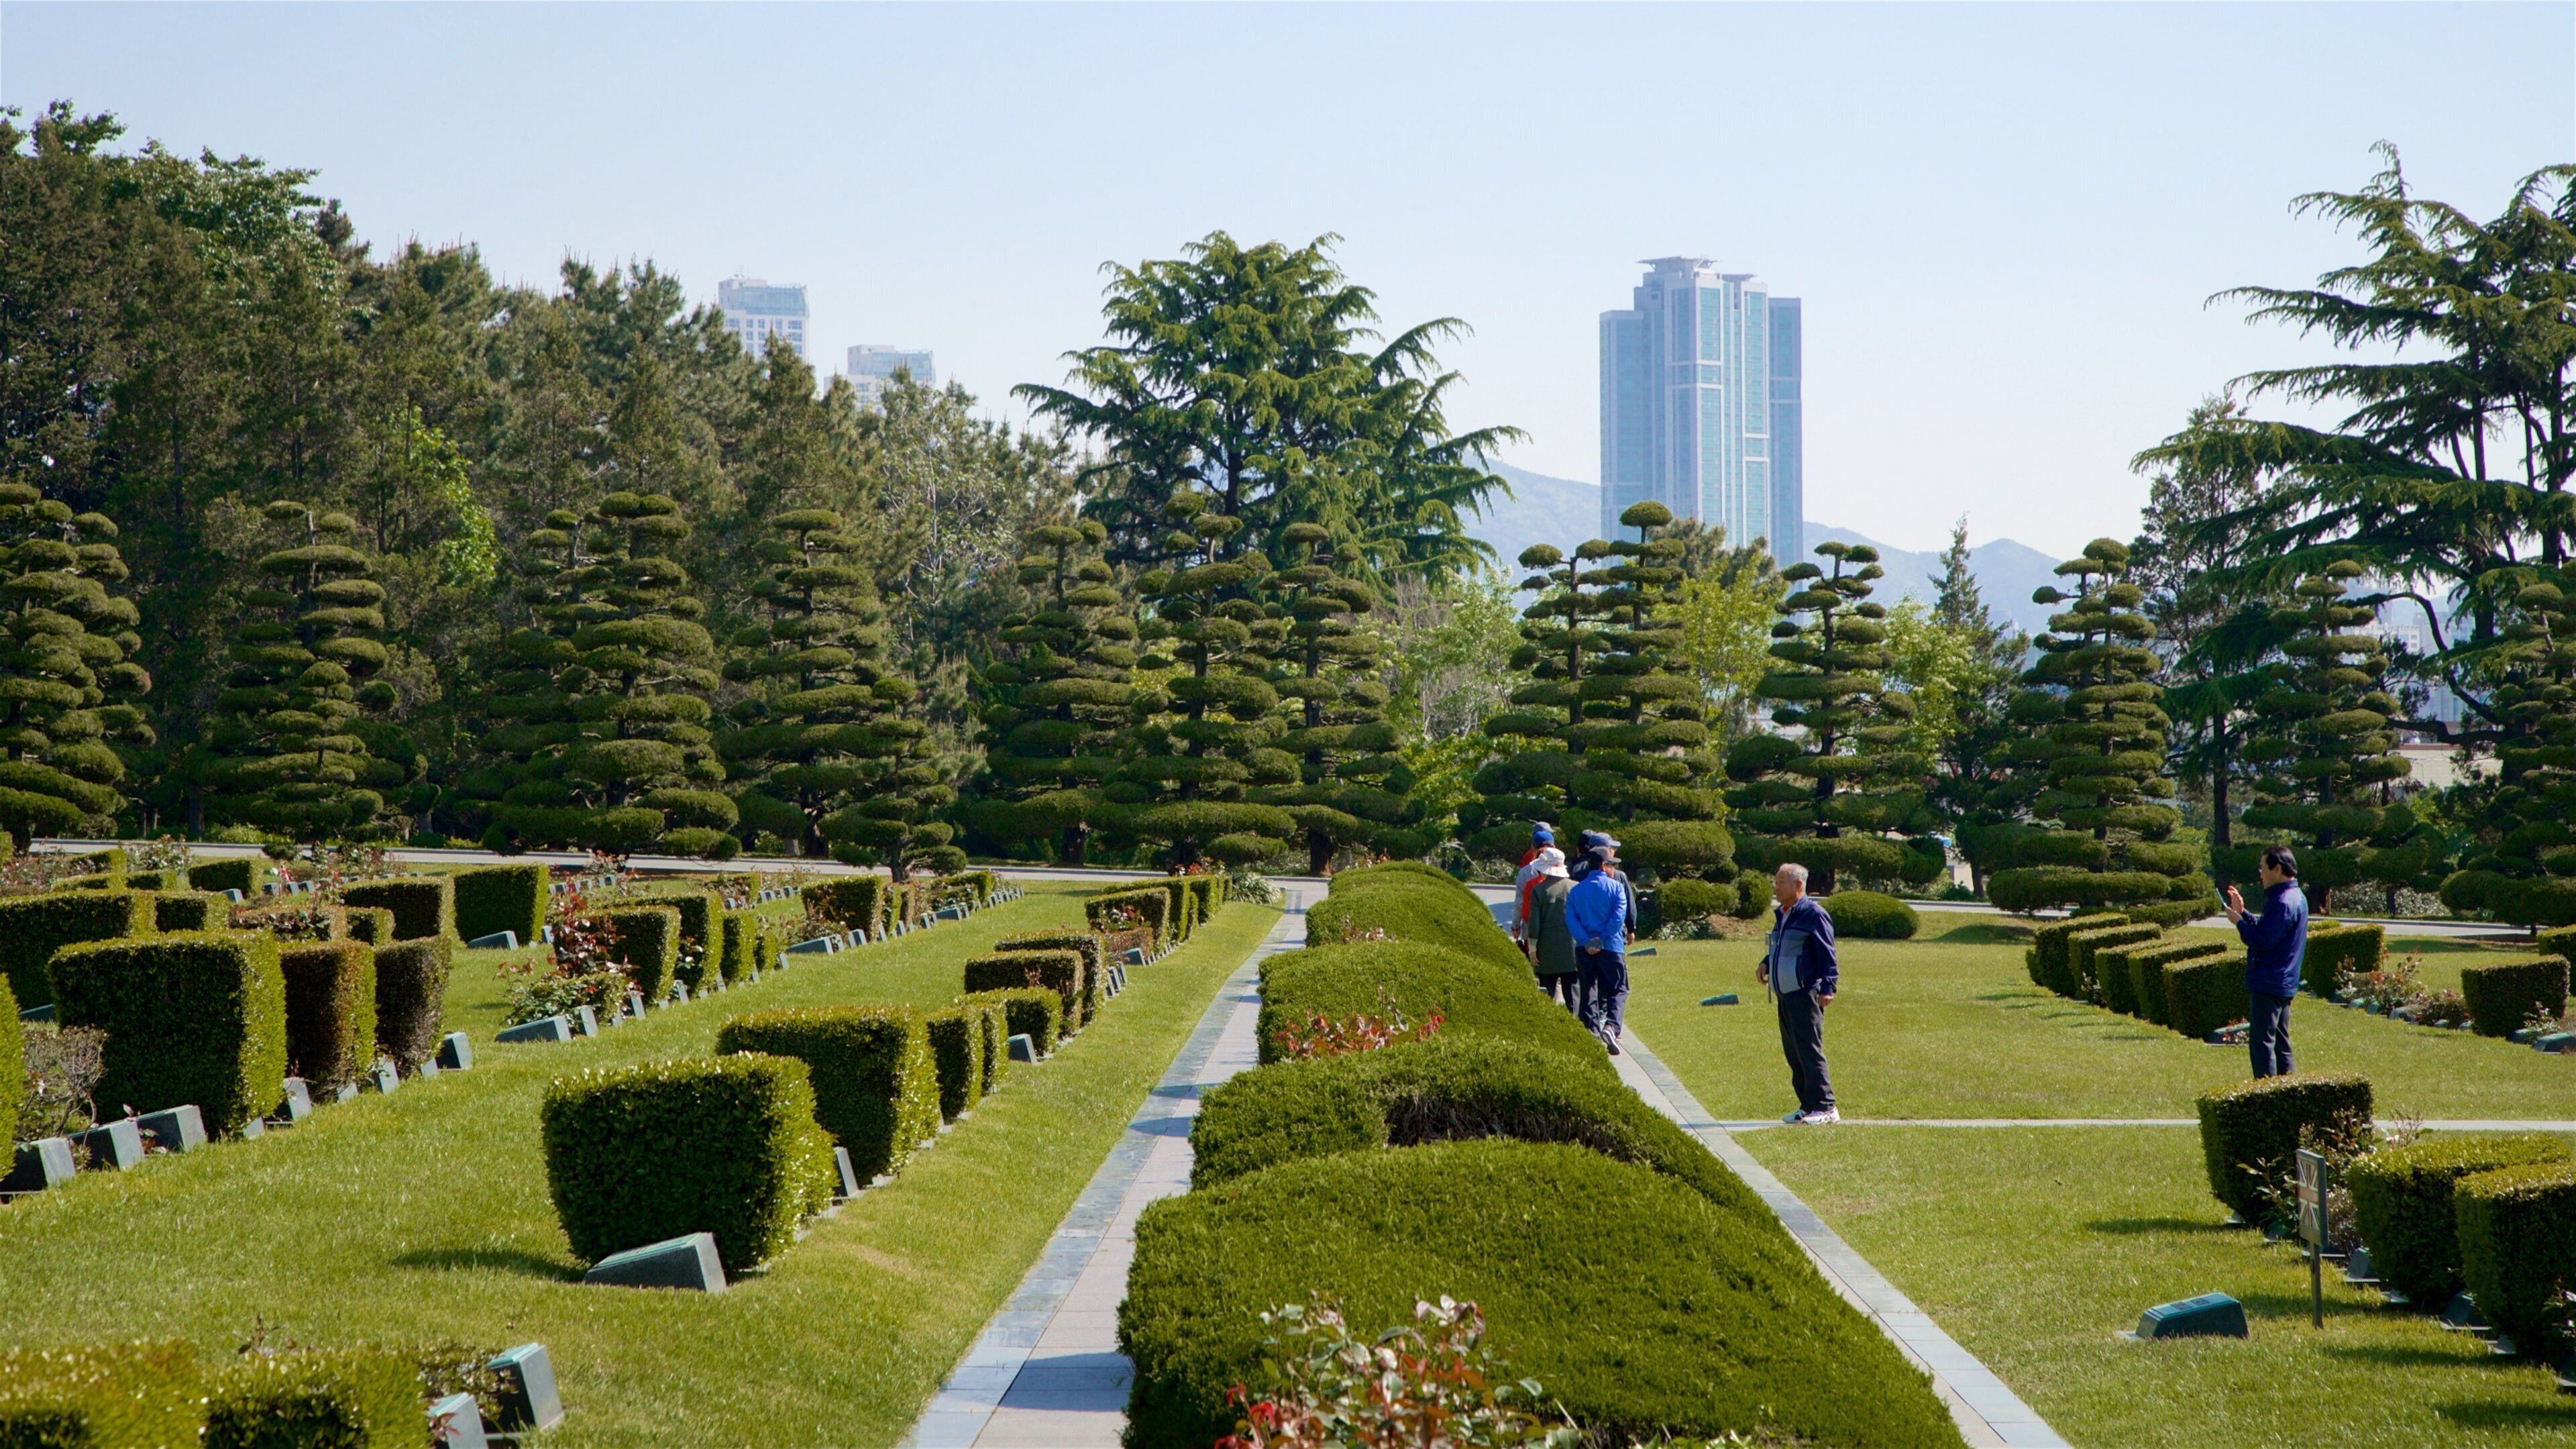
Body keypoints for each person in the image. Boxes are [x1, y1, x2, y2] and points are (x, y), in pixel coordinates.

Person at [1758, 863, 1839, 1124]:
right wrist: (1766, 961)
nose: (1776, 887)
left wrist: (1828, 987)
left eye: (1781, 882)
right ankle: (1807, 1106)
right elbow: (1782, 945)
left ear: (1798, 885)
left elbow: (1827, 952)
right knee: (1794, 1053)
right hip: (1786, 995)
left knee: (1809, 1051)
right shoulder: (1783, 913)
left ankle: (1826, 1108)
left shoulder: (1813, 914)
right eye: (1776, 881)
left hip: (1806, 994)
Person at [2226, 845, 2308, 1078]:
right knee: (2281, 1043)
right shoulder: (2294, 897)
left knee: (2263, 1045)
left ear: (2278, 868)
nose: (2260, 874)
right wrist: (2244, 914)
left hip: (2269, 981)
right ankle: (2288, 1092)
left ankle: (2267, 1096)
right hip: (2283, 981)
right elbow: (2269, 931)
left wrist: (2239, 923)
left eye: (2263, 868)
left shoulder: (2283, 902)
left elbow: (2263, 941)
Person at [1564, 843, 1631, 1053]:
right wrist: (1602, 940)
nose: (1612, 868)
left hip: (1584, 949)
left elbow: (1571, 919)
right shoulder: (1617, 888)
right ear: (1603, 865)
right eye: (1611, 864)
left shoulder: (1576, 890)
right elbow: (1618, 918)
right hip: (1611, 947)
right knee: (1619, 988)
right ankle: (1612, 1026)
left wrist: (1587, 940)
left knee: (1588, 989)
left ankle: (1592, 1034)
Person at [1523, 851, 1580, 1011]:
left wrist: (1532, 948)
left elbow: (1534, 923)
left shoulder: (1539, 890)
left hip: (1547, 949)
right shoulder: (1575, 887)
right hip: (1572, 947)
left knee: (1547, 993)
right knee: (1573, 996)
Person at [1516, 845, 1566, 943]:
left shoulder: (1534, 886)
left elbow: (1527, 914)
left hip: (1540, 938)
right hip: (1564, 938)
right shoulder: (1572, 886)